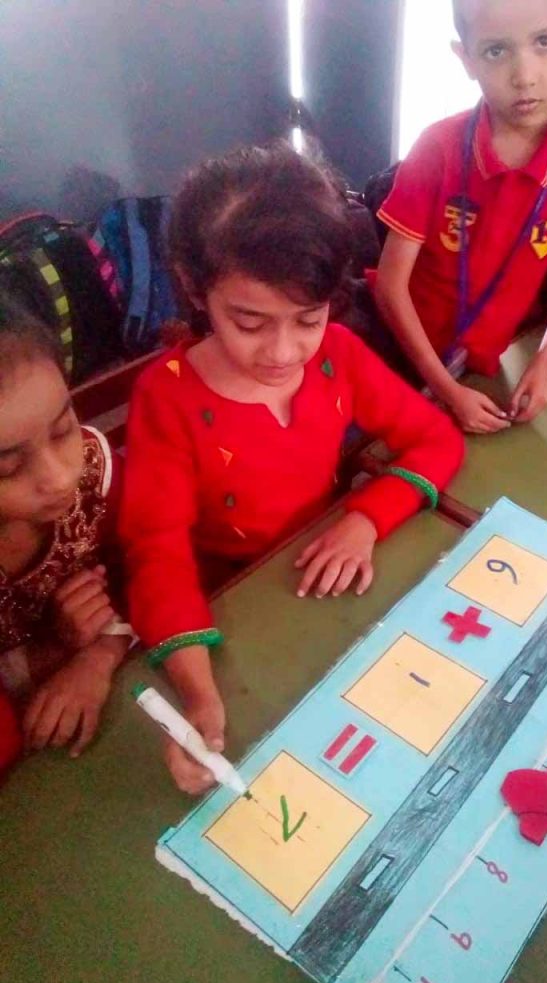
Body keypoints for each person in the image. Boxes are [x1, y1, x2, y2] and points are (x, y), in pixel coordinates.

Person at [119, 143, 464, 795]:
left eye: (308, 318)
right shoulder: (167, 398)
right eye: (249, 322)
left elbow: (435, 439)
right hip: (229, 602)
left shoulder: (337, 353)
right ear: (194, 288)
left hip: (324, 581)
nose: (283, 351)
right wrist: (198, 695)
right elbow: (157, 553)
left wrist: (366, 518)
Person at [374, 0, 547, 431]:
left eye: (544, 41)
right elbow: (389, 285)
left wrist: (543, 363)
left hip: (484, 369)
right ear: (466, 59)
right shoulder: (437, 147)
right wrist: (446, 389)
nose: (524, 76)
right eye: (496, 51)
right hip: (394, 350)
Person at [0, 293, 129, 762]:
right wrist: (54, 649)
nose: (59, 478)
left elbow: (153, 567)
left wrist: (102, 652)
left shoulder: (96, 474)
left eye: (62, 430)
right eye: (8, 468)